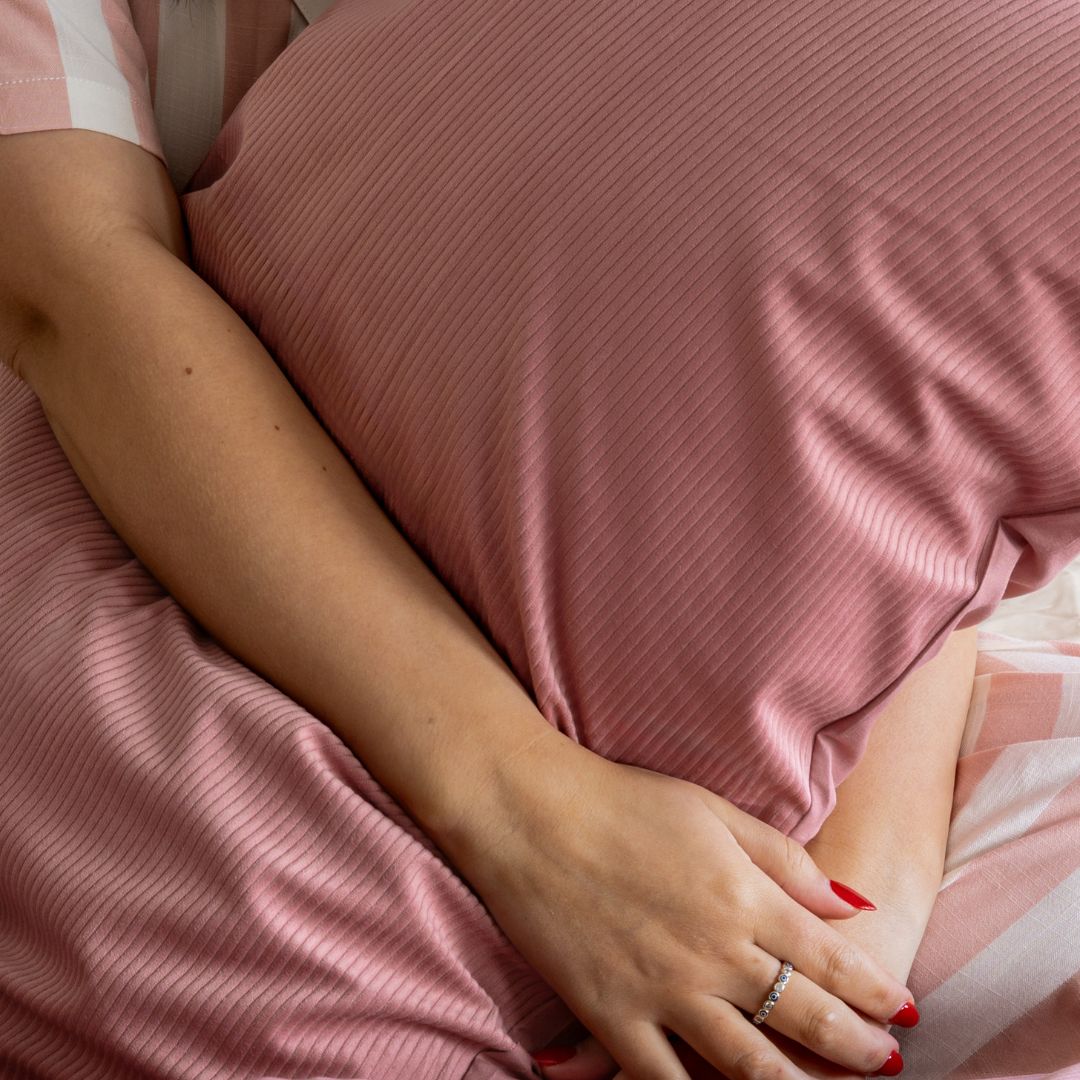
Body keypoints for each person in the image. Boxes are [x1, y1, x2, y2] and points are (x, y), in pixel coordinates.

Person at [0, 2, 983, 1077]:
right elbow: (73, 291)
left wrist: (833, 938)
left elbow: (912, 402)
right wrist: (528, 810)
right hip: (131, 603)